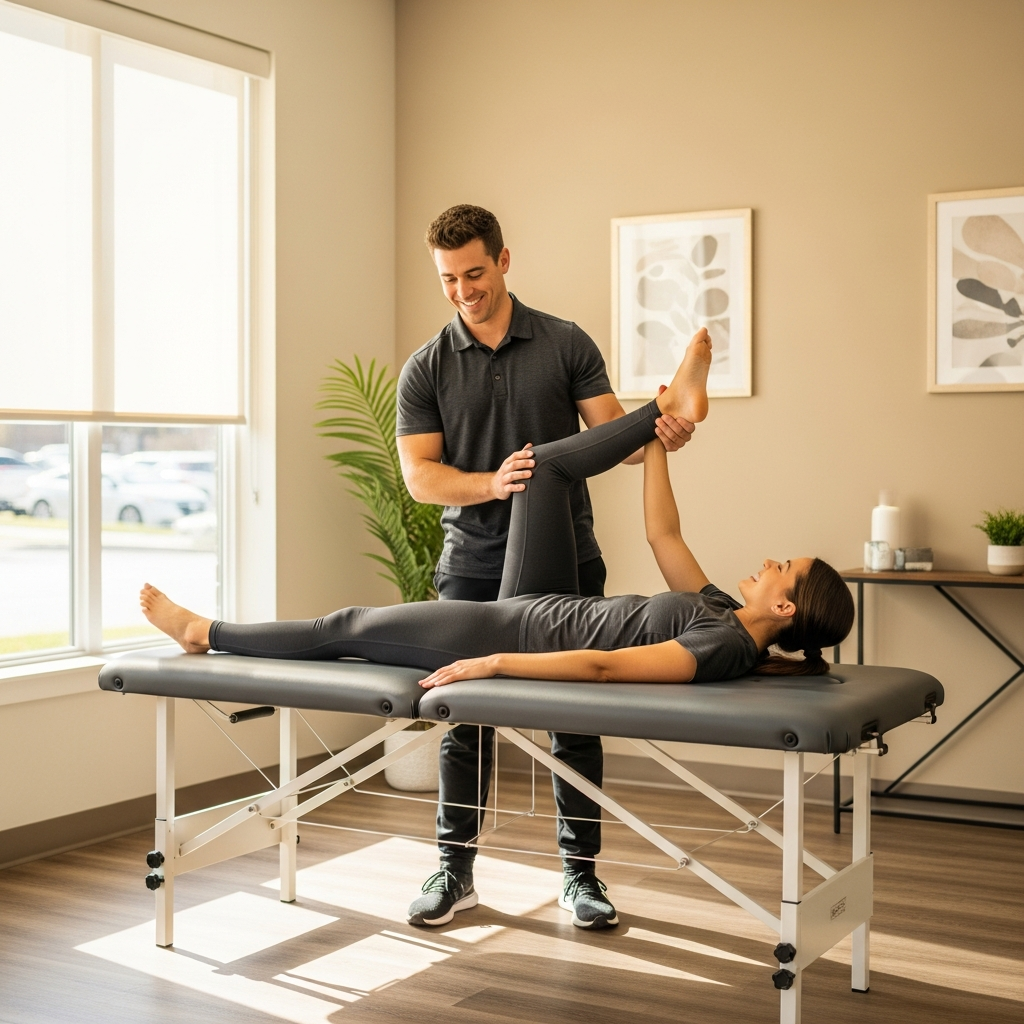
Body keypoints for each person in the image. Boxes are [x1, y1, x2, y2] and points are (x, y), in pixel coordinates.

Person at [139, 332, 855, 931]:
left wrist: (494, 663)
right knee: (537, 466)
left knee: (347, 626)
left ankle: (207, 632)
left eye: (782, 567)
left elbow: (606, 671)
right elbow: (664, 533)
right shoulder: (724, 611)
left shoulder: (723, 645)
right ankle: (664, 407)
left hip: (513, 627)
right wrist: (659, 439)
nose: (768, 561)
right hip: (539, 599)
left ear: (788, 610)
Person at [394, 204, 693, 931]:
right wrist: (490, 484)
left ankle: (580, 877)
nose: (463, 290)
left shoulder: (564, 343)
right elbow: (421, 477)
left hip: (566, 559)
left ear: (503, 260)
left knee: (574, 718)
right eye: (447, 278)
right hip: (470, 567)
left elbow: (613, 441)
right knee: (462, 720)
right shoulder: (426, 367)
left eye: (473, 273)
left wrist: (662, 435)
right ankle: (454, 869)